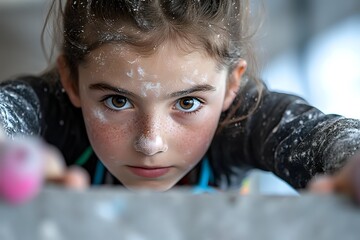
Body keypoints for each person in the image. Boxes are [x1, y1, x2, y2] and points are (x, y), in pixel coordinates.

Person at [1, 0, 360, 202]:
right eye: (116, 101)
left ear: (232, 84)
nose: (150, 142)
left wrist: (350, 163)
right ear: (71, 81)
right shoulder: (53, 108)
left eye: (187, 103)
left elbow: (321, 137)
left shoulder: (243, 118)